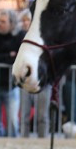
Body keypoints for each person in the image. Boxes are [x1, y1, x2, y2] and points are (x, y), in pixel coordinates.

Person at [16, 7, 50, 137]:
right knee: (24, 114)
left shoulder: (44, 36)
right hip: (25, 81)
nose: (25, 23)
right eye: (23, 20)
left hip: (42, 80)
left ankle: (43, 139)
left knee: (42, 115)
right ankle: (24, 139)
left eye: (28, 20)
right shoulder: (19, 37)